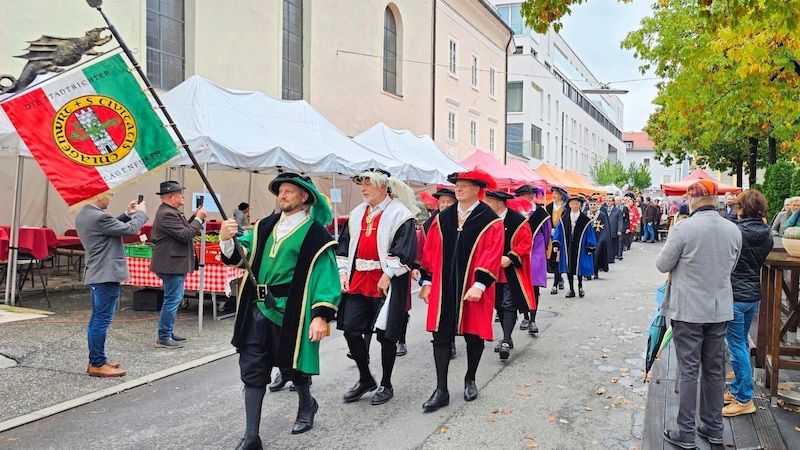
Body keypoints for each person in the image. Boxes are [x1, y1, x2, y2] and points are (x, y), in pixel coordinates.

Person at [219, 173, 340, 445]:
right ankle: (251, 437)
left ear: (304, 197)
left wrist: (320, 316)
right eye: (280, 191)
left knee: (293, 366)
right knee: (253, 369)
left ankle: (307, 404)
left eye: (289, 191)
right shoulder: (265, 226)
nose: (282, 195)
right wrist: (227, 240)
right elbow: (244, 254)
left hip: (292, 311)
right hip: (256, 308)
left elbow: (326, 277)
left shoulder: (316, 235)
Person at [656, 179, 742, 449]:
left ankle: (686, 433)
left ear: (692, 201)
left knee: (688, 371)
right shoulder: (733, 229)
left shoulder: (683, 228)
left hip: (688, 310)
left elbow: (662, 265)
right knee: (715, 370)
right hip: (719, 309)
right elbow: (733, 264)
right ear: (715, 200)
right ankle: (714, 428)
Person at [419, 169, 504, 412]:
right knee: (440, 334)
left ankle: (470, 379)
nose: (459, 188)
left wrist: (480, 284)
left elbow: (492, 252)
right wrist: (427, 281)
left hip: (473, 287)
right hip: (444, 286)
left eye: (465, 185)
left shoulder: (490, 220)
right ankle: (441, 389)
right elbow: (431, 250)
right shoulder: (442, 218)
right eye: (457, 184)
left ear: (478, 190)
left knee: (473, 334)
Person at [337, 168, 418, 406]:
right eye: (362, 183)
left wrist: (388, 273)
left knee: (386, 335)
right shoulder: (356, 213)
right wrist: (343, 272)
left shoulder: (400, 214)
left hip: (387, 282)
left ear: (383, 185)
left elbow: (405, 248)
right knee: (351, 328)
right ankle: (365, 378)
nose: (363, 188)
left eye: (368, 183)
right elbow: (344, 245)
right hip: (359, 279)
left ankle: (386, 383)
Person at [76, 193, 147, 377]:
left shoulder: (85, 213)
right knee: (101, 320)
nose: (111, 198)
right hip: (105, 274)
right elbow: (130, 231)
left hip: (97, 272)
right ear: (99, 195)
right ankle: (97, 363)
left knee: (97, 319)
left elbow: (109, 227)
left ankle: (98, 359)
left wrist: (126, 214)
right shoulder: (99, 216)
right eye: (110, 195)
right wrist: (141, 214)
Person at [724, 190, 773, 417]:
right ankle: (737, 389)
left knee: (737, 348)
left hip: (734, 295)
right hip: (753, 295)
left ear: (742, 208)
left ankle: (744, 398)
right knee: (740, 344)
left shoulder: (734, 231)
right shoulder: (767, 234)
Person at [150, 181, 207, 349]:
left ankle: (167, 331)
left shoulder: (170, 212)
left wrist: (193, 218)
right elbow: (185, 234)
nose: (183, 196)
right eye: (180, 193)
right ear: (170, 196)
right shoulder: (167, 213)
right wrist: (198, 219)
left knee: (174, 299)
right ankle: (164, 336)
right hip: (171, 263)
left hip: (173, 263)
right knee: (172, 300)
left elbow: (183, 229)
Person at [484, 191, 536, 360]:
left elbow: (526, 243)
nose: (486, 204)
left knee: (508, 304)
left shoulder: (518, 221)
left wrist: (511, 257)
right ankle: (508, 336)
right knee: (498, 305)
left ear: (500, 203)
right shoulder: (486, 220)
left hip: (510, 270)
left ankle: (505, 340)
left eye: (489, 201)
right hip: (492, 270)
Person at [414, 186, 459, 358]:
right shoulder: (430, 223)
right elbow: (422, 247)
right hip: (435, 272)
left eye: (449, 202)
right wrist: (417, 267)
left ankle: (451, 341)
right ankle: (440, 339)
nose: (445, 205)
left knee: (452, 307)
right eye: (442, 202)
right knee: (437, 308)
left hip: (454, 270)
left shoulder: (461, 222)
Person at [514, 184, 551, 335]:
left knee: (533, 285)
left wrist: (542, 251)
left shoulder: (541, 213)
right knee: (521, 285)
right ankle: (525, 315)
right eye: (526, 194)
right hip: (519, 253)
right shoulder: (514, 212)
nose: (529, 196)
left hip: (536, 252)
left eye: (531, 194)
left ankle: (533, 320)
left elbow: (547, 233)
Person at [554, 195, 596, 298]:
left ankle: (580, 286)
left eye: (577, 203)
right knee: (569, 268)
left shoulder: (585, 220)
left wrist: (590, 245)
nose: (574, 205)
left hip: (580, 247)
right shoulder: (564, 219)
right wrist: (556, 243)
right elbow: (558, 232)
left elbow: (590, 234)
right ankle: (571, 289)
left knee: (579, 267)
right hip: (567, 246)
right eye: (572, 203)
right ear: (569, 205)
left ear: (580, 205)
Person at [546, 187, 568, 295]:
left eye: (556, 193)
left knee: (558, 259)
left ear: (561, 195)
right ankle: (559, 279)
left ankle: (555, 283)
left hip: (561, 237)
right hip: (550, 236)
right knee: (552, 260)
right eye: (553, 193)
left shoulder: (565, 208)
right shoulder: (549, 207)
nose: (554, 195)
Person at [586, 195, 609, 280]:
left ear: (598, 205)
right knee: (587, 255)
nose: (592, 206)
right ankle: (587, 272)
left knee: (596, 254)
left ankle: (595, 271)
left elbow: (605, 226)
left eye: (594, 204)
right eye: (591, 204)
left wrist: (603, 238)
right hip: (587, 238)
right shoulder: (585, 214)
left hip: (598, 237)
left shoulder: (601, 215)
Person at [605, 194, 623, 263]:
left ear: (613, 202)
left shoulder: (617, 210)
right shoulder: (604, 209)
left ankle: (612, 257)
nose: (608, 202)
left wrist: (619, 230)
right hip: (606, 230)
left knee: (613, 244)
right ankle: (607, 257)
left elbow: (620, 221)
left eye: (609, 201)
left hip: (614, 229)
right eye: (607, 201)